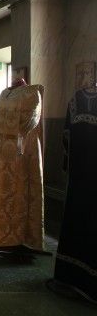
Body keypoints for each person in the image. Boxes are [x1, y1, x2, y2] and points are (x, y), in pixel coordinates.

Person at [0, 81, 44, 251]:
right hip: (1, 152)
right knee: (0, 193)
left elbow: (31, 119)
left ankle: (19, 236)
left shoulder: (32, 93)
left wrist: (7, 129)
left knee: (20, 191)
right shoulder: (4, 93)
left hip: (21, 151)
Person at [51, 88, 97, 302]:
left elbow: (66, 139)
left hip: (78, 178)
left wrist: (68, 166)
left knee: (76, 219)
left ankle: (70, 274)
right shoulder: (75, 99)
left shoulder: (75, 100)